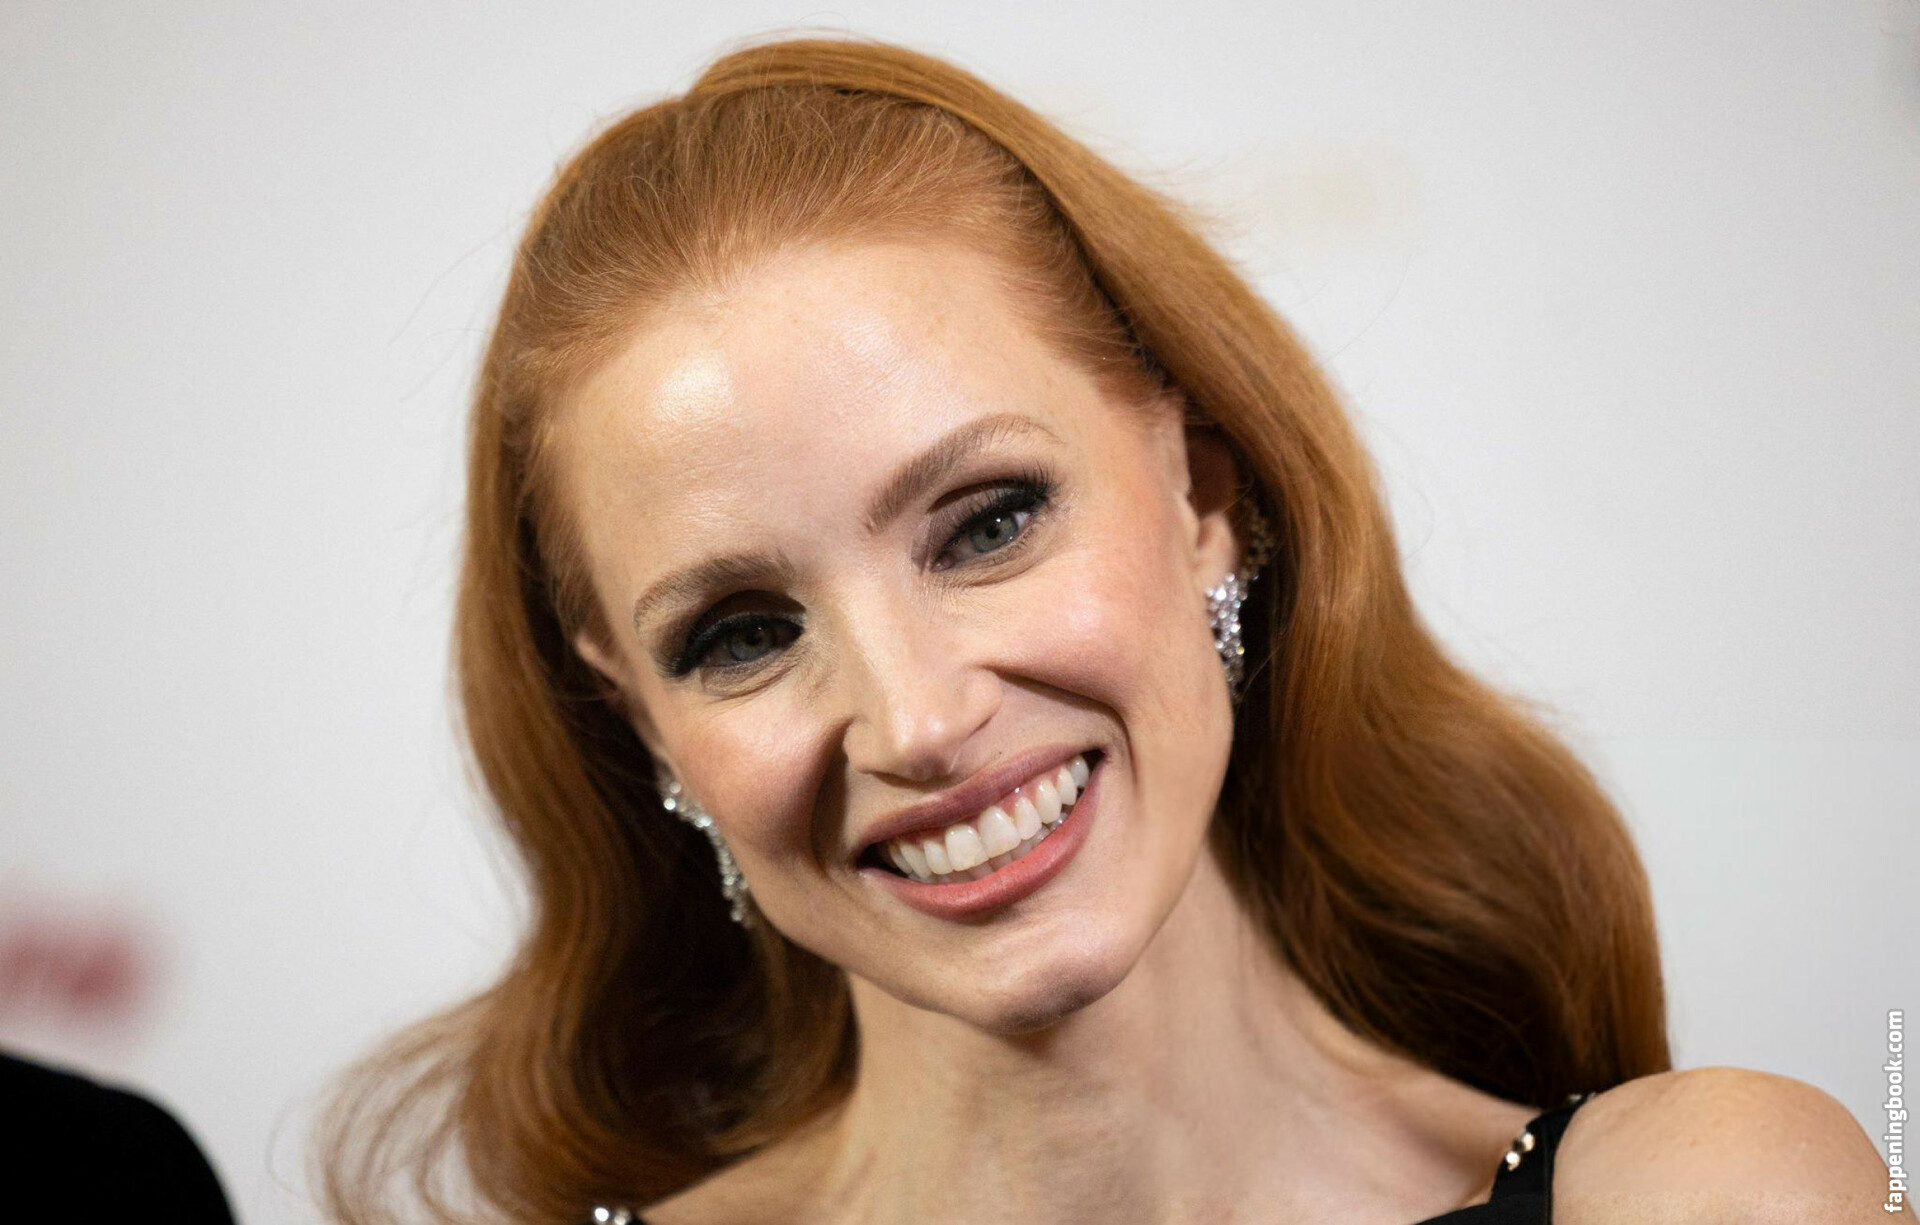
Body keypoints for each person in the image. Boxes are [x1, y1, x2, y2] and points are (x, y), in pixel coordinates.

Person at [316, 33, 1900, 1224]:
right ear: (641, 722)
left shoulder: (1712, 1196)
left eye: (988, 522)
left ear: (1202, 487)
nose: (920, 718)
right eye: (740, 634)